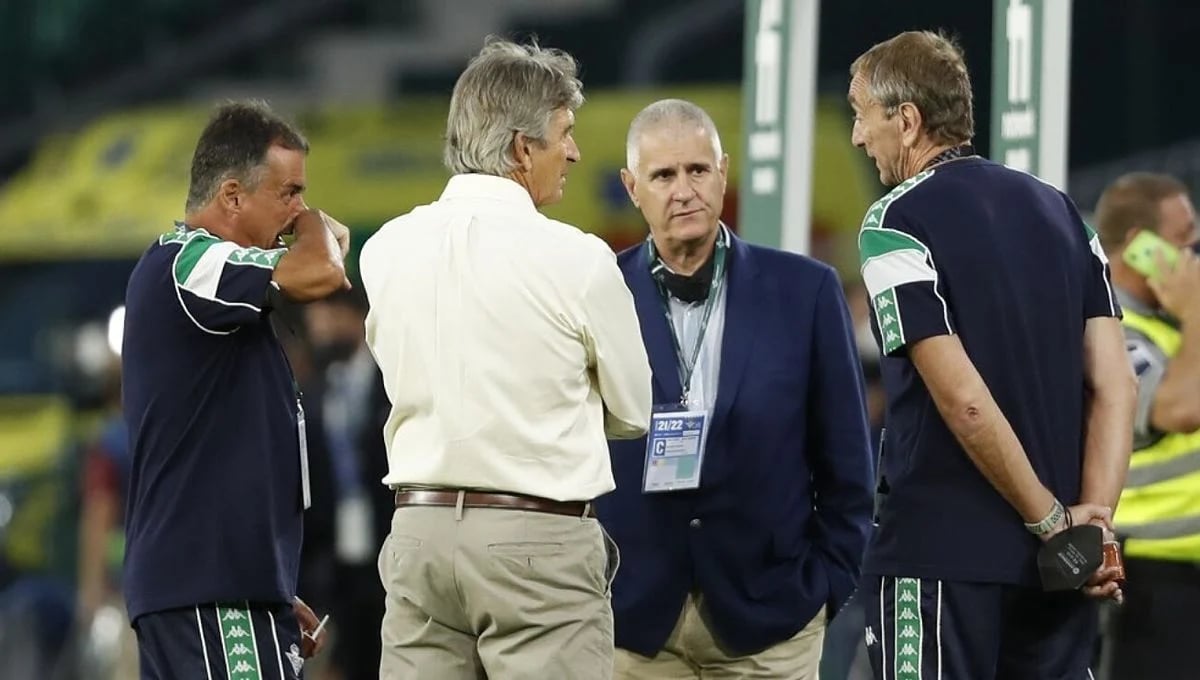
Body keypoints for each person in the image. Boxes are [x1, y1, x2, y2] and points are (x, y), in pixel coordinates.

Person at [358, 37, 652, 680]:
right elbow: (634, 411)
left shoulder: (384, 250)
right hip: (536, 540)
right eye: (564, 134)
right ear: (523, 149)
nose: (574, 151)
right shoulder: (579, 259)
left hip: (419, 533)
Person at [846, 31, 1136, 680]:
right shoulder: (1065, 214)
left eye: (862, 115)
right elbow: (1117, 385)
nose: (859, 137)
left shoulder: (895, 222)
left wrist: (1049, 520)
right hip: (1056, 573)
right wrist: (1088, 529)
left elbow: (964, 402)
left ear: (907, 120)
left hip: (940, 559)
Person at [596, 98, 875, 679]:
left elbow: (847, 465)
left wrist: (826, 587)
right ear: (631, 187)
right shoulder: (597, 293)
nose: (684, 191)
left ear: (723, 172)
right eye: (663, 175)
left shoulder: (805, 291)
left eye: (697, 170)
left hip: (772, 624)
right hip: (634, 627)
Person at [121, 100, 349, 679]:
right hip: (209, 592)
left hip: (224, 589)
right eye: (289, 192)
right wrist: (314, 226)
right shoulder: (189, 263)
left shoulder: (220, 300)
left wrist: (268, 588)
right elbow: (322, 270)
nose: (297, 209)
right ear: (231, 195)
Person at [1092, 172, 1200, 680]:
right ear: (1140, 246)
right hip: (1155, 582)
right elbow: (1179, 409)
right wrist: (1197, 311)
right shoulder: (1113, 332)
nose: (1193, 252)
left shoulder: (1171, 325)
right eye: (1184, 238)